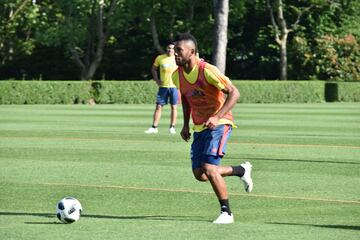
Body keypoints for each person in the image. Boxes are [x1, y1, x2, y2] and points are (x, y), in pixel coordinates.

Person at [172, 33, 253, 224]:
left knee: (209, 168)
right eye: (174, 50)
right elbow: (185, 97)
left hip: (220, 124)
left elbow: (234, 92)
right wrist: (185, 124)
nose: (175, 54)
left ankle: (227, 213)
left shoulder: (207, 70)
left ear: (191, 52)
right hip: (200, 126)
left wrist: (217, 116)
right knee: (200, 174)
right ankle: (240, 170)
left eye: (179, 51)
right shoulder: (177, 75)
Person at [145, 43, 178, 134]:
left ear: (175, 50)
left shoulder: (177, 58)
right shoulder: (160, 58)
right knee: (158, 107)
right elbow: (154, 69)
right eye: (168, 48)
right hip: (163, 87)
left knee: (174, 107)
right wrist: (157, 80)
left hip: (174, 87)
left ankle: (172, 127)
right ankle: (154, 127)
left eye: (172, 48)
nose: (170, 50)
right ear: (166, 48)